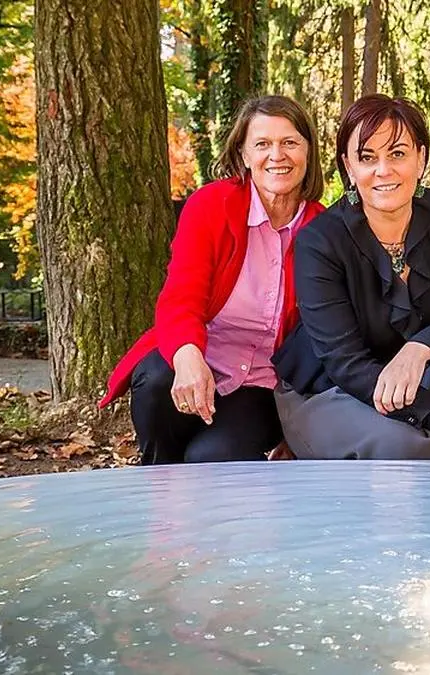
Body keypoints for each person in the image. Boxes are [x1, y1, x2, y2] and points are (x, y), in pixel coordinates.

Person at [272, 94, 430, 461]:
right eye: (367, 158)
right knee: (404, 444)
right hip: (333, 389)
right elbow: (346, 364)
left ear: (421, 158)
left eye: (397, 153)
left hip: (419, 371)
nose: (383, 170)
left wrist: (420, 347)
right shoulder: (319, 241)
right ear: (349, 167)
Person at [99, 95, 326, 464]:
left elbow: (322, 340)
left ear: (308, 152)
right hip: (200, 358)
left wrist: (299, 430)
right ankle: (158, 495)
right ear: (244, 155)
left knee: (213, 462)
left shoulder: (324, 229)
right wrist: (188, 356)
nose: (277, 155)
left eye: (290, 143)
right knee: (157, 380)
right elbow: (180, 297)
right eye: (263, 144)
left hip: (260, 386)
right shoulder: (210, 206)